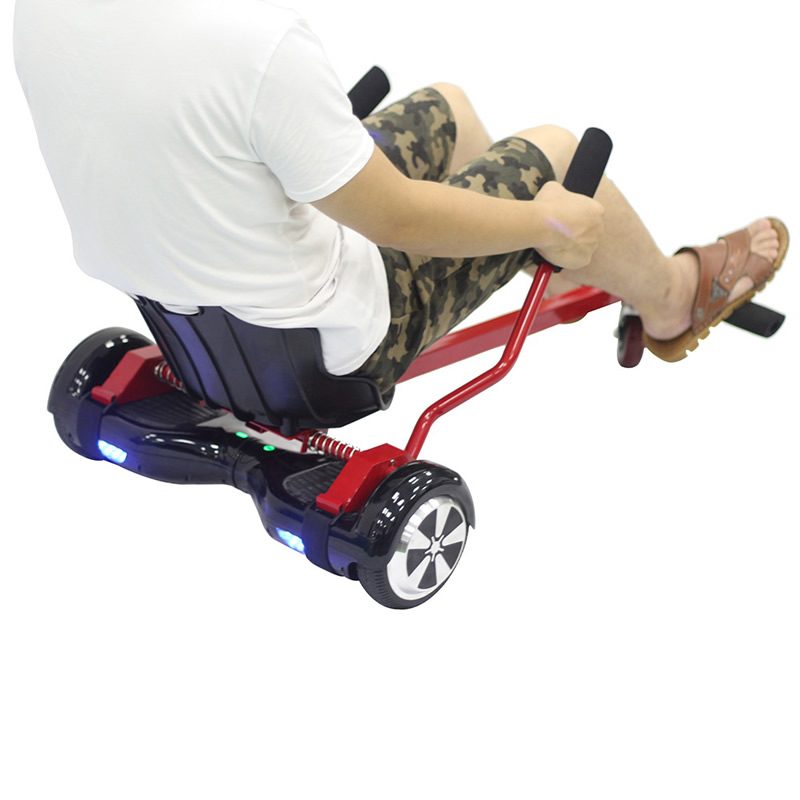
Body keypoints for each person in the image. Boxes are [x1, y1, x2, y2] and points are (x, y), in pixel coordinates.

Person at [13, 1, 789, 396]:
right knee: (555, 150)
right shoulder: (255, 45)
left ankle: (556, 268)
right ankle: (671, 299)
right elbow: (395, 217)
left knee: (447, 106)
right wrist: (549, 220)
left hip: (191, 306)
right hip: (322, 347)